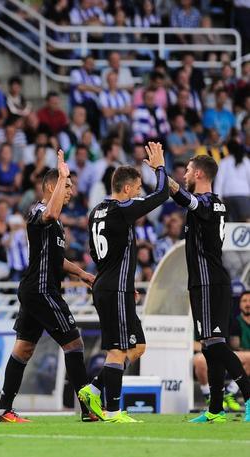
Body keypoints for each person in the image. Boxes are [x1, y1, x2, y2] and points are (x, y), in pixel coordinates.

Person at [0, 151, 96, 423]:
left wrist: (83, 274)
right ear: (52, 187)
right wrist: (62, 175)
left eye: (70, 184)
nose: (71, 190)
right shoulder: (41, 210)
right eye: (66, 184)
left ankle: (3, 409)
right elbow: (50, 212)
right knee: (74, 342)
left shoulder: (56, 221)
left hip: (35, 290)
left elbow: (56, 258)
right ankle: (88, 409)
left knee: (23, 349)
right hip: (41, 290)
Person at [79, 142, 169, 423]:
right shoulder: (122, 209)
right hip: (114, 288)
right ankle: (114, 411)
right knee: (117, 349)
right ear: (127, 188)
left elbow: (95, 253)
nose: (139, 192)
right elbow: (162, 193)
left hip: (110, 286)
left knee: (138, 345)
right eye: (138, 187)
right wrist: (159, 167)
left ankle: (93, 388)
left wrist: (126, 287)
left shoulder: (96, 211)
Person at [167, 156, 250, 423]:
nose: (185, 175)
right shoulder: (207, 205)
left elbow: (181, 197)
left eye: (188, 170)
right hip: (207, 282)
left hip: (208, 281)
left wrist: (159, 170)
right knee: (210, 345)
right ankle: (216, 408)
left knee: (214, 345)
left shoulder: (208, 203)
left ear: (200, 174)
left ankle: (248, 395)